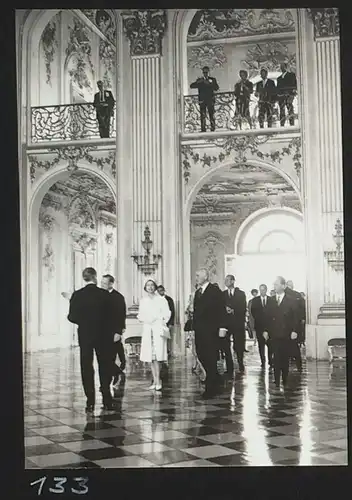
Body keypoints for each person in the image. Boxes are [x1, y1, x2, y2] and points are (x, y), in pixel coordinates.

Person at [67, 267, 115, 413]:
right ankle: (107, 399)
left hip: (85, 335)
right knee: (105, 365)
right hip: (103, 335)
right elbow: (111, 315)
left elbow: (71, 317)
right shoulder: (104, 294)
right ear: (94, 277)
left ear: (84, 278)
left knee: (86, 367)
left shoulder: (77, 295)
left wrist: (84, 321)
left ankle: (90, 401)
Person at [193, 269, 227, 398]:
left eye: (198, 275)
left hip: (212, 330)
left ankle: (211, 388)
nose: (195, 277)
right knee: (201, 355)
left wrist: (223, 327)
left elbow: (221, 310)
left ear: (206, 277)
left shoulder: (215, 291)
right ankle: (216, 379)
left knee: (211, 357)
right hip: (200, 330)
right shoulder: (198, 292)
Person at [263, 276, 300, 389]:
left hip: (286, 334)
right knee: (276, 357)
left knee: (284, 357)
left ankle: (284, 378)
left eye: (277, 284)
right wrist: (265, 330)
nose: (274, 286)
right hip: (274, 334)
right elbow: (267, 317)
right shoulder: (271, 300)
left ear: (283, 286)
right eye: (274, 284)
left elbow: (296, 318)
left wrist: (295, 331)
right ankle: (277, 380)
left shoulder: (291, 301)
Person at [137, 280, 171, 391]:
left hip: (157, 329)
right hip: (148, 329)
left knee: (157, 357)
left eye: (152, 285)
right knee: (150, 358)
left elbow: (167, 313)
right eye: (148, 285)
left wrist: (160, 321)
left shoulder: (161, 300)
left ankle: (158, 380)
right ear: (145, 288)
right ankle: (155, 380)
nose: (150, 287)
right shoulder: (143, 301)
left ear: (155, 287)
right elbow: (141, 314)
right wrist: (145, 319)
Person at [101, 274, 127, 387]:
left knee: (109, 358)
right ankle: (113, 376)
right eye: (101, 283)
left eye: (105, 283)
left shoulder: (118, 297)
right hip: (101, 331)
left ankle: (114, 375)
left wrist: (118, 332)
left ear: (111, 284)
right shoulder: (100, 295)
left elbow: (121, 315)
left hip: (113, 331)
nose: (102, 285)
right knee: (103, 358)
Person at [223, 275, 247, 374]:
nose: (226, 282)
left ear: (233, 281)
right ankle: (229, 366)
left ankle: (240, 362)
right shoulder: (223, 294)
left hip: (238, 323)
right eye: (225, 280)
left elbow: (243, 307)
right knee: (225, 344)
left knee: (239, 344)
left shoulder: (241, 294)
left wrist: (233, 310)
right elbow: (220, 306)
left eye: (228, 280)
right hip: (226, 323)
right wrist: (225, 309)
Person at [190, 66, 219, 132]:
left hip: (210, 99)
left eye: (206, 72)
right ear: (202, 73)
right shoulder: (200, 80)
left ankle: (213, 128)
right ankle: (203, 129)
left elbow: (216, 88)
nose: (205, 73)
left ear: (209, 72)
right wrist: (198, 82)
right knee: (202, 115)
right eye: (204, 72)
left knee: (211, 114)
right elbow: (191, 86)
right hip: (202, 100)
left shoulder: (213, 79)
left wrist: (209, 84)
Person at [251, 284, 273, 370]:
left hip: (269, 326)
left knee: (270, 345)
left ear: (266, 290)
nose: (262, 291)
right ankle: (262, 361)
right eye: (260, 290)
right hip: (259, 326)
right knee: (261, 345)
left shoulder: (271, 300)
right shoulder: (255, 300)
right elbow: (253, 312)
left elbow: (273, 312)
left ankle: (271, 361)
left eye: (263, 290)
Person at [285, 280, 305, 371]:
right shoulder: (296, 295)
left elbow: (301, 308)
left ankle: (295, 363)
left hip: (292, 323)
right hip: (291, 323)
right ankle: (297, 365)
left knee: (292, 345)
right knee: (293, 345)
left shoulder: (296, 295)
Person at [157, 285, 175, 359]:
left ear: (164, 290)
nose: (160, 292)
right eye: (158, 291)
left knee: (167, 339)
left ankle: (167, 353)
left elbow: (172, 311)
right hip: (159, 323)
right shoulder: (156, 299)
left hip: (167, 323)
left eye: (161, 290)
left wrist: (171, 323)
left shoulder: (169, 299)